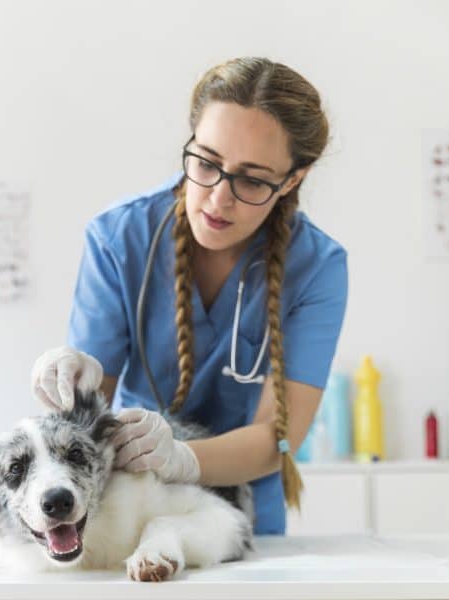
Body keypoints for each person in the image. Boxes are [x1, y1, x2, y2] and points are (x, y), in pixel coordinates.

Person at [31, 57, 348, 535]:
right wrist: (75, 380)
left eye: (253, 179)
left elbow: (275, 440)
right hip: (135, 506)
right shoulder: (120, 238)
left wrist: (180, 457)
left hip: (244, 515)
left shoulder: (318, 268)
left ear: (291, 180)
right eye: (206, 163)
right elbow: (83, 421)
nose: (219, 198)